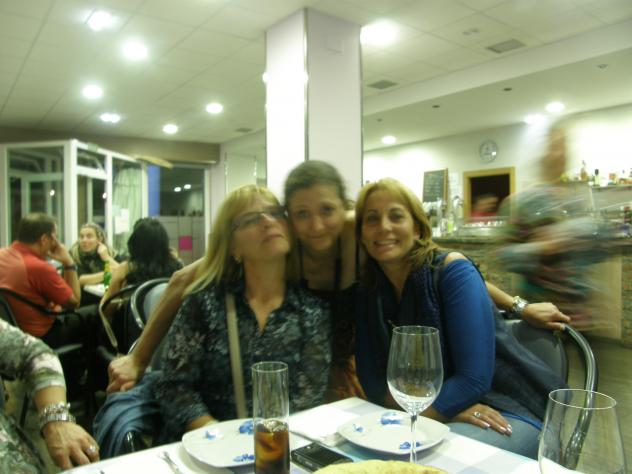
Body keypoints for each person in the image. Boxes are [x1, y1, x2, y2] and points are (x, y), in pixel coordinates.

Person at [95, 185, 331, 452]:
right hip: (205, 448)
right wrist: (218, 437)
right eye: (250, 219)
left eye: (275, 213)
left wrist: (267, 446)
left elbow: (310, 397)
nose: (267, 221)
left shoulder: (312, 311)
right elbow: (174, 386)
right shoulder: (205, 303)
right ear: (233, 246)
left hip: (279, 449)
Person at [353, 178, 565, 459]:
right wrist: (440, 412)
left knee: (428, 463)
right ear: (361, 234)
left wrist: (429, 412)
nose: (384, 227)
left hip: (504, 408)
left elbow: (473, 380)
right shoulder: (368, 292)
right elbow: (373, 382)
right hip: (438, 411)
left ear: (417, 228)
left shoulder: (453, 271)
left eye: (396, 216)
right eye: (371, 219)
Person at [496, 125, 612, 330]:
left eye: (563, 147)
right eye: (553, 146)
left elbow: (596, 252)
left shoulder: (576, 201)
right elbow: (502, 256)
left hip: (580, 317)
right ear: (541, 154)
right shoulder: (523, 202)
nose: (559, 154)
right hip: (540, 315)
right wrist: (541, 247)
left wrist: (595, 239)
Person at [0, 213, 98, 392]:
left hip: (14, 330)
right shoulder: (38, 267)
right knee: (95, 314)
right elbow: (74, 301)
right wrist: (68, 262)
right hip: (42, 335)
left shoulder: (3, 255)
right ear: (44, 239)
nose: (56, 243)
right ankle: (83, 383)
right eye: (55, 237)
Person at [0, 319, 99, 471]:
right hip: (45, 329)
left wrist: (56, 421)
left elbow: (35, 353)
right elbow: (69, 304)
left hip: (21, 460)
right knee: (91, 324)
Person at [100, 217, 182, 307]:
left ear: (134, 243)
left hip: (133, 315)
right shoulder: (177, 267)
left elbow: (106, 308)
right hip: (167, 315)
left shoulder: (126, 269)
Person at [69, 222, 118, 305]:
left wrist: (106, 257)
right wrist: (108, 273)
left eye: (89, 236)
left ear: (99, 239)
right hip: (84, 301)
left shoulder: (109, 252)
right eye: (81, 237)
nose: (84, 240)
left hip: (109, 298)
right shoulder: (73, 255)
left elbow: (123, 272)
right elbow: (79, 280)